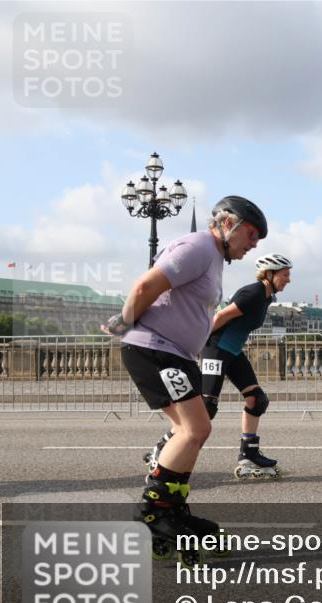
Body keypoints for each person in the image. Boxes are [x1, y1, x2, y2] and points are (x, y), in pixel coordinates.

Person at [103, 196, 266, 562]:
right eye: (252, 235)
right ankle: (154, 512)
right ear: (229, 224)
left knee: (189, 433)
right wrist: (125, 321)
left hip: (174, 353)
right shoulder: (196, 247)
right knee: (195, 430)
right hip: (156, 349)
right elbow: (147, 285)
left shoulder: (212, 257)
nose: (254, 244)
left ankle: (171, 509)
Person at [144, 253, 292, 480]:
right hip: (216, 348)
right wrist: (193, 344)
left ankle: (248, 456)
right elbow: (220, 317)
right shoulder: (252, 293)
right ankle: (162, 448)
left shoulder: (267, 297)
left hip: (232, 350)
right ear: (269, 274)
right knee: (206, 407)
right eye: (285, 274)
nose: (288, 279)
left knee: (256, 399)